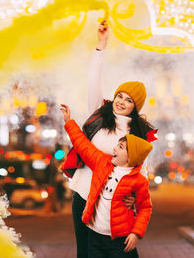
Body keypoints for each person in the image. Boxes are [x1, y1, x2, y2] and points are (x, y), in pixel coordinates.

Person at [61, 20, 157, 258]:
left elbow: (139, 170)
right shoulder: (98, 115)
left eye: (129, 100)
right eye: (119, 96)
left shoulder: (135, 135)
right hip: (84, 195)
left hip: (111, 202)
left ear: (135, 107)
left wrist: (133, 198)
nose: (121, 102)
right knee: (84, 253)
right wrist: (101, 45)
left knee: (116, 252)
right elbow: (94, 79)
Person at [60, 104, 152, 257]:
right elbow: (83, 146)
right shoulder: (103, 164)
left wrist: (136, 233)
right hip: (95, 236)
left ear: (131, 157)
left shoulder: (138, 181)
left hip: (119, 239)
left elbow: (145, 208)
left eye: (120, 147)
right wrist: (69, 121)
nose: (114, 149)